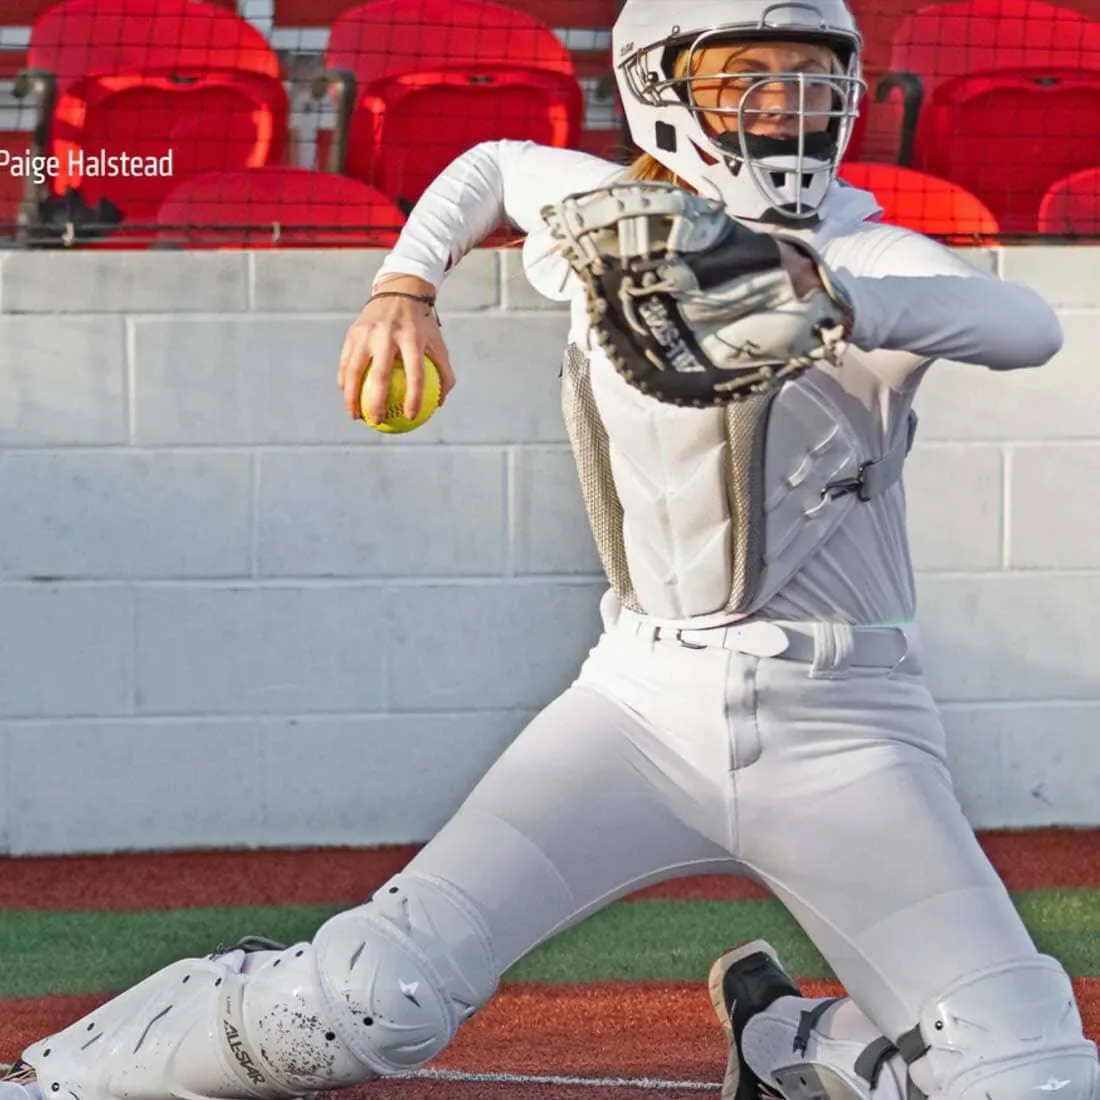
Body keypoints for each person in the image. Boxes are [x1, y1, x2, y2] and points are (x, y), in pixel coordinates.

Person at [2, 0, 1097, 1098]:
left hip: (845, 727)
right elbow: (487, 162)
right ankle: (58, 1079)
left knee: (1034, 1079)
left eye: (811, 77)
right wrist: (403, 284)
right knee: (359, 1005)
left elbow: (1021, 326)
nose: (785, 106)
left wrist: (829, 293)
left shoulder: (864, 245)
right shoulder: (605, 213)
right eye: (746, 76)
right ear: (657, 88)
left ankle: (791, 1044)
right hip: (636, 707)